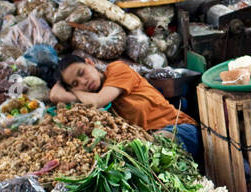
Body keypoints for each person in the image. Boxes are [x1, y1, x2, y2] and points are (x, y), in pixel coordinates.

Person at [50, 52, 201, 162]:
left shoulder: (117, 69)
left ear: (90, 63)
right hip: (147, 141)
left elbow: (97, 101)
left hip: (179, 130)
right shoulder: (93, 100)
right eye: (75, 83)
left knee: (145, 150)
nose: (83, 82)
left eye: (81, 73)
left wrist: (71, 92)